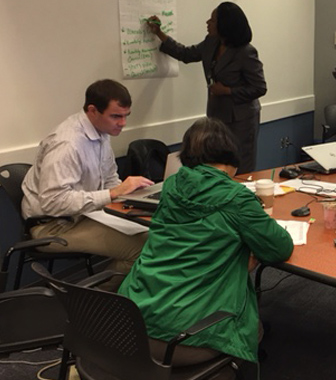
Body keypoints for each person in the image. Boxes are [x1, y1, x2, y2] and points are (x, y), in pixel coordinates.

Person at [118, 117, 293, 374]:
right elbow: (280, 248)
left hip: (128, 323)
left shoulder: (171, 187)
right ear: (230, 157)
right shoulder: (237, 197)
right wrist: (248, 250)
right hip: (181, 340)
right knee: (254, 329)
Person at [21, 79, 153, 275]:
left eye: (126, 116)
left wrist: (131, 198)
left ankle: (113, 293)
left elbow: (109, 179)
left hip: (81, 215)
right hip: (51, 227)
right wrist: (113, 193)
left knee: (153, 236)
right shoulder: (67, 144)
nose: (123, 123)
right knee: (143, 250)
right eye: (116, 116)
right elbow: (53, 202)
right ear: (92, 110)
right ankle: (96, 300)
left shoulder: (101, 131)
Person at [147, 2, 267, 174]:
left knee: (240, 166)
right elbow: (186, 54)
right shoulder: (211, 43)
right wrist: (159, 33)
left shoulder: (246, 52)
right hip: (216, 115)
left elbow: (259, 87)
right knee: (215, 163)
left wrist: (228, 91)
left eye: (212, 20)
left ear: (224, 25)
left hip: (241, 119)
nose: (207, 22)